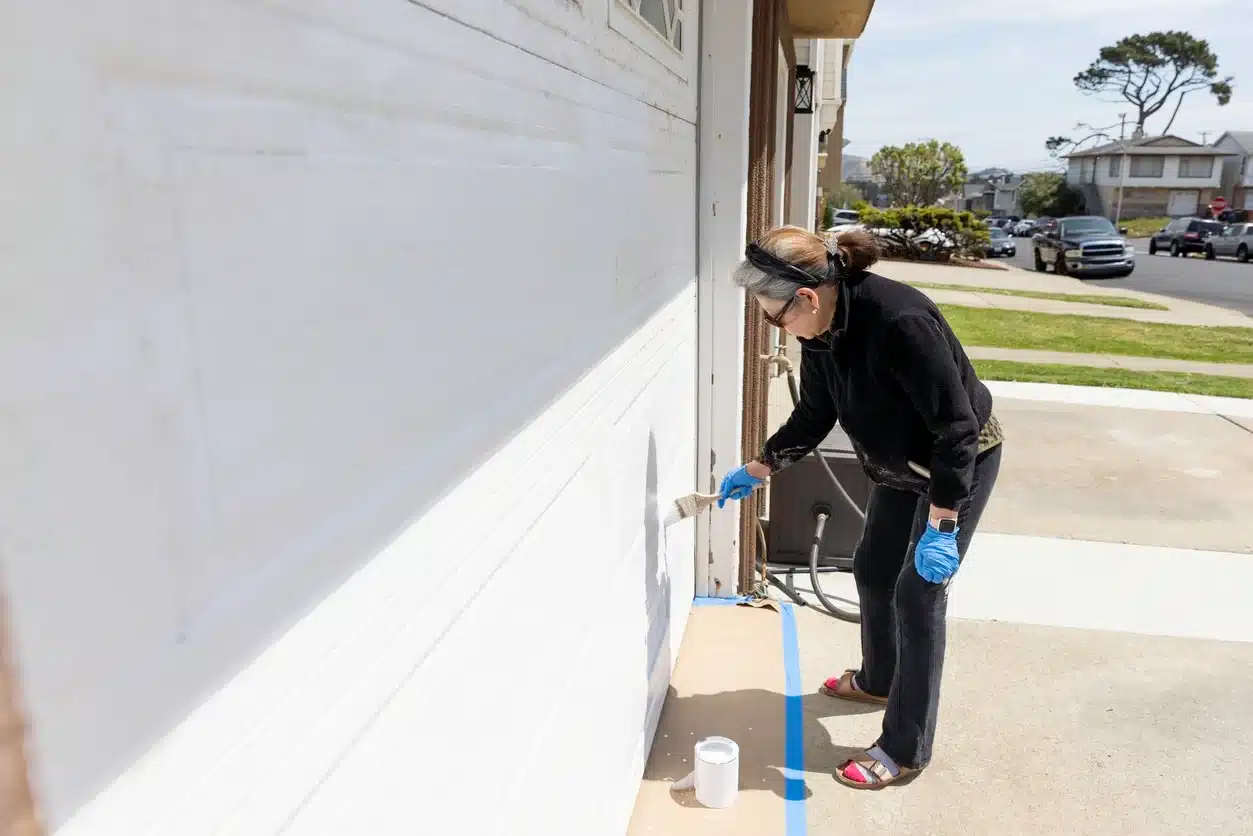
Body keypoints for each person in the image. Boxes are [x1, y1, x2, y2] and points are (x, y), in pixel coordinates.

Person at [718, 225, 1004, 789]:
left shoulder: (901, 321)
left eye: (775, 316)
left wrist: (943, 523)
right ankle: (879, 678)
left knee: (917, 594)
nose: (776, 327)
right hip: (899, 465)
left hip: (954, 463)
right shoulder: (819, 330)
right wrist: (761, 467)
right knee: (874, 569)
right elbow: (814, 414)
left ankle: (905, 747)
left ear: (806, 295)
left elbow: (957, 428)